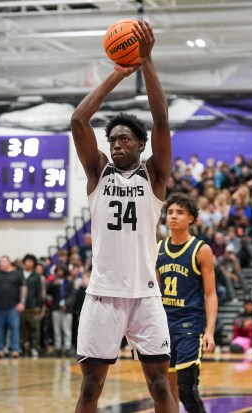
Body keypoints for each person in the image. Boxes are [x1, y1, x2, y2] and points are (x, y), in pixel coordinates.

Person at [70, 19, 176, 412]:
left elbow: (162, 119)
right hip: (102, 294)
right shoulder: (98, 171)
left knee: (159, 385)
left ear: (140, 144)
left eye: (124, 139)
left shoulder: (154, 174)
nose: (115, 145)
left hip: (146, 294)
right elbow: (79, 121)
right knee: (90, 388)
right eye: (112, 139)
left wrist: (147, 59)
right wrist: (117, 73)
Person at [156, 193, 217, 412]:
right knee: (165, 389)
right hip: (163, 325)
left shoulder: (201, 250)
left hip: (190, 325)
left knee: (186, 389)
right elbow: (153, 293)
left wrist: (209, 331)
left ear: (191, 218)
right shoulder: (158, 249)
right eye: (170, 212)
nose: (173, 216)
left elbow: (210, 294)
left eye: (180, 212)